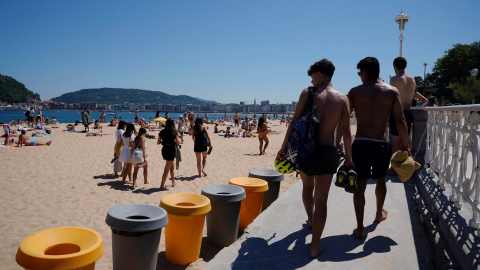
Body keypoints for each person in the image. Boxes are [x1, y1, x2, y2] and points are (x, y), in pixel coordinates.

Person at [277, 58, 354, 258]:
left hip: (306, 151)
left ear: (319, 74)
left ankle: (310, 220)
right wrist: (349, 158)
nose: (311, 80)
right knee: (321, 201)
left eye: (312, 76)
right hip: (328, 152)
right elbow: (346, 131)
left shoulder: (307, 93)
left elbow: (294, 123)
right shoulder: (342, 99)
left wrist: (284, 147)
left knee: (306, 187)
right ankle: (314, 247)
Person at [345, 56, 410, 240]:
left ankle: (360, 228)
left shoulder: (355, 92)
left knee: (360, 186)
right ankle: (378, 214)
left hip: (361, 143)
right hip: (381, 144)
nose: (359, 76)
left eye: (360, 73)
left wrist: (342, 146)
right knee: (380, 180)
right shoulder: (391, 91)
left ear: (365, 73)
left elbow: (344, 121)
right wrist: (405, 146)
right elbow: (401, 120)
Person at [388, 57, 427, 175]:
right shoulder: (412, 80)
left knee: (395, 142)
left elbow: (391, 98)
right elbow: (420, 99)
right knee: (405, 142)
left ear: (395, 67)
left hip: (397, 113)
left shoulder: (394, 79)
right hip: (408, 113)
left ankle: (394, 168)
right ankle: (405, 166)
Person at [157, 119, 180, 190]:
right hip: (171, 149)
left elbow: (158, 142)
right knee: (167, 168)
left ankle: (173, 182)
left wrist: (163, 141)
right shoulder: (174, 132)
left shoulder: (162, 131)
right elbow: (178, 142)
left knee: (171, 166)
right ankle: (161, 186)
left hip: (164, 149)